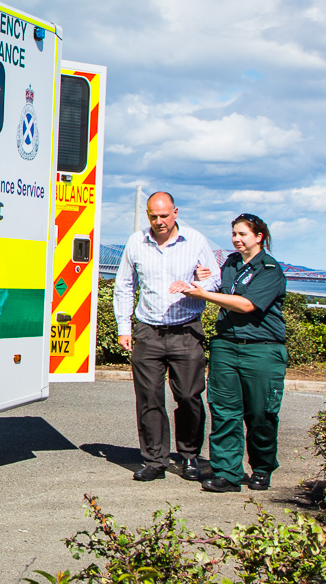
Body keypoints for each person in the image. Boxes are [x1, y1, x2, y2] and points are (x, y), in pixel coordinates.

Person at [170, 213, 287, 494]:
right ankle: (227, 473)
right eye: (234, 233)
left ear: (258, 237)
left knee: (261, 414)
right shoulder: (232, 263)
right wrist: (204, 280)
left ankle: (261, 467)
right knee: (224, 411)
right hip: (226, 346)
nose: (236, 239)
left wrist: (204, 295)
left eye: (243, 234)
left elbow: (246, 305)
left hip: (262, 350)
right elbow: (220, 287)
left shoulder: (270, 270)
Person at [112, 192, 219, 481]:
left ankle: (189, 456)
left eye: (164, 216)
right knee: (149, 398)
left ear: (175, 213)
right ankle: (154, 461)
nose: (158, 221)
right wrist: (125, 327)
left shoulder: (195, 241)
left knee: (189, 396)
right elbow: (124, 284)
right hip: (148, 330)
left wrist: (197, 283)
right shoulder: (136, 242)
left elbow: (215, 279)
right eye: (153, 216)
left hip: (186, 329)